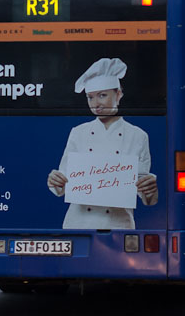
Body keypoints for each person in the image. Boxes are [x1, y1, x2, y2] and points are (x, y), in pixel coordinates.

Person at [47, 57, 158, 229]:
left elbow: (146, 197)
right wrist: (55, 181)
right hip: (78, 224)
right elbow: (63, 184)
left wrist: (150, 190)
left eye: (102, 95)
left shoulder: (138, 136)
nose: (96, 104)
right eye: (90, 98)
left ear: (119, 94)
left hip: (119, 226)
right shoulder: (78, 132)